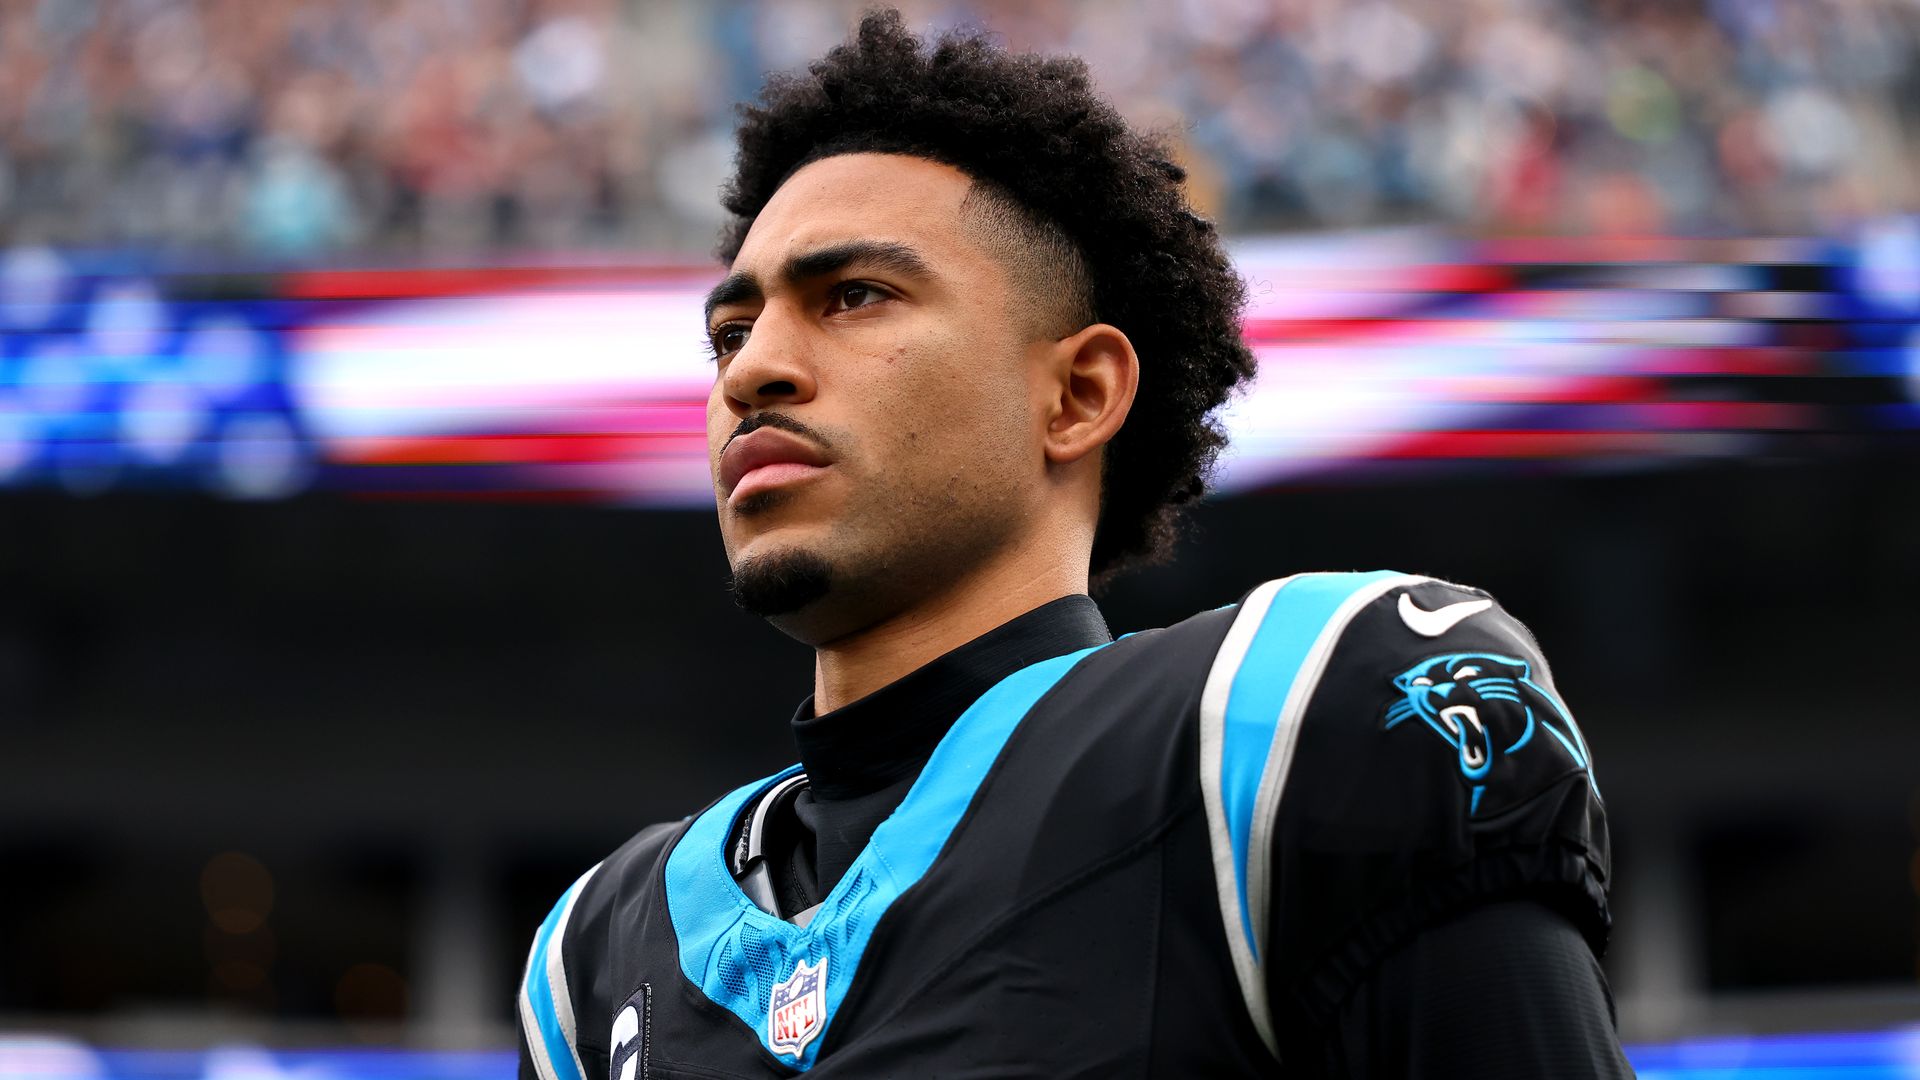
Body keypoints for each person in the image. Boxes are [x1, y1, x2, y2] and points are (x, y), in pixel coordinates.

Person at [517, 11, 1631, 1078]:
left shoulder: (1281, 729)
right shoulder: (596, 962)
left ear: (1077, 395)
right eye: (730, 330)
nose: (751, 370)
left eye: (853, 295)